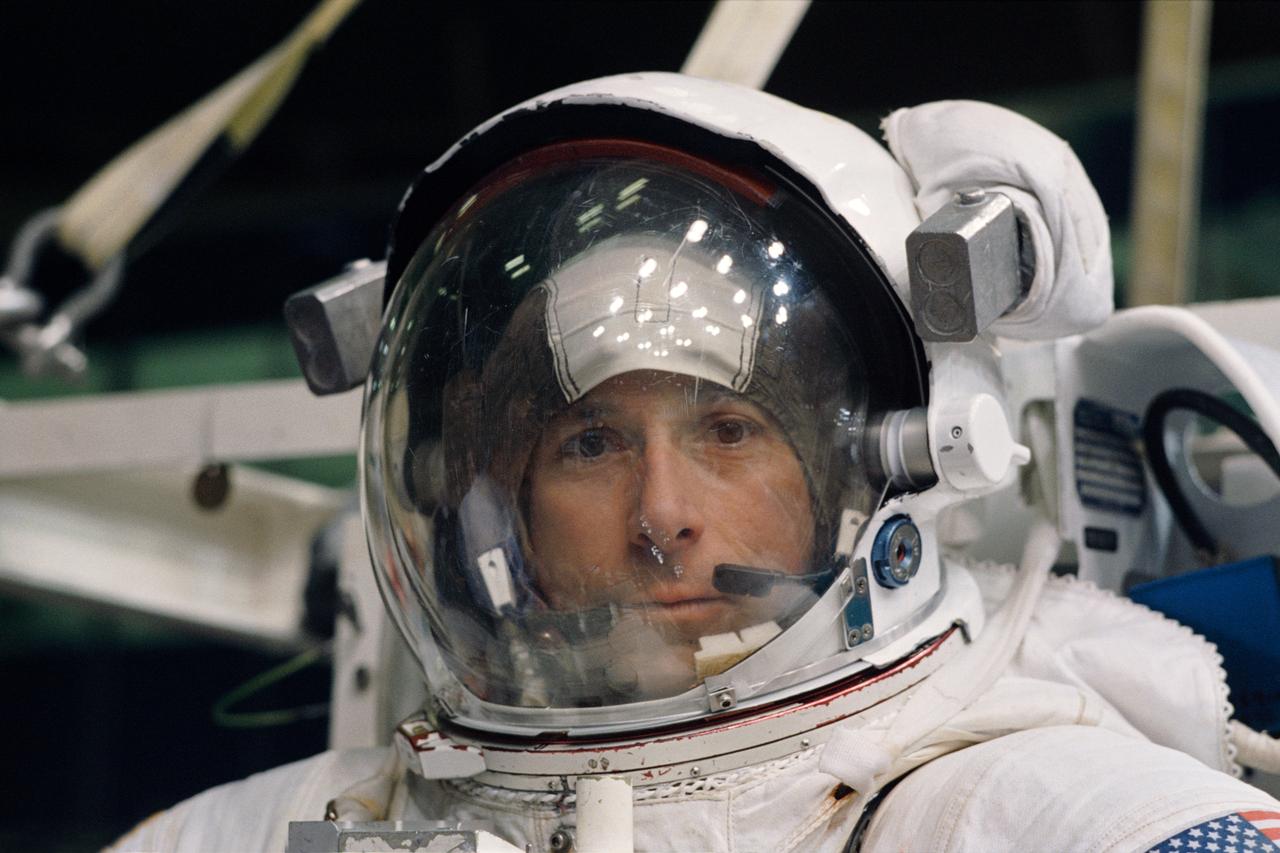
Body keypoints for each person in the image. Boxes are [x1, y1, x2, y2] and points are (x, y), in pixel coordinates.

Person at [115, 72, 1280, 852]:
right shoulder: (270, 829)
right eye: (590, 443)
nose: (660, 513)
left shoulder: (1028, 810)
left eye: (727, 431)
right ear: (497, 517)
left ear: (867, 471)